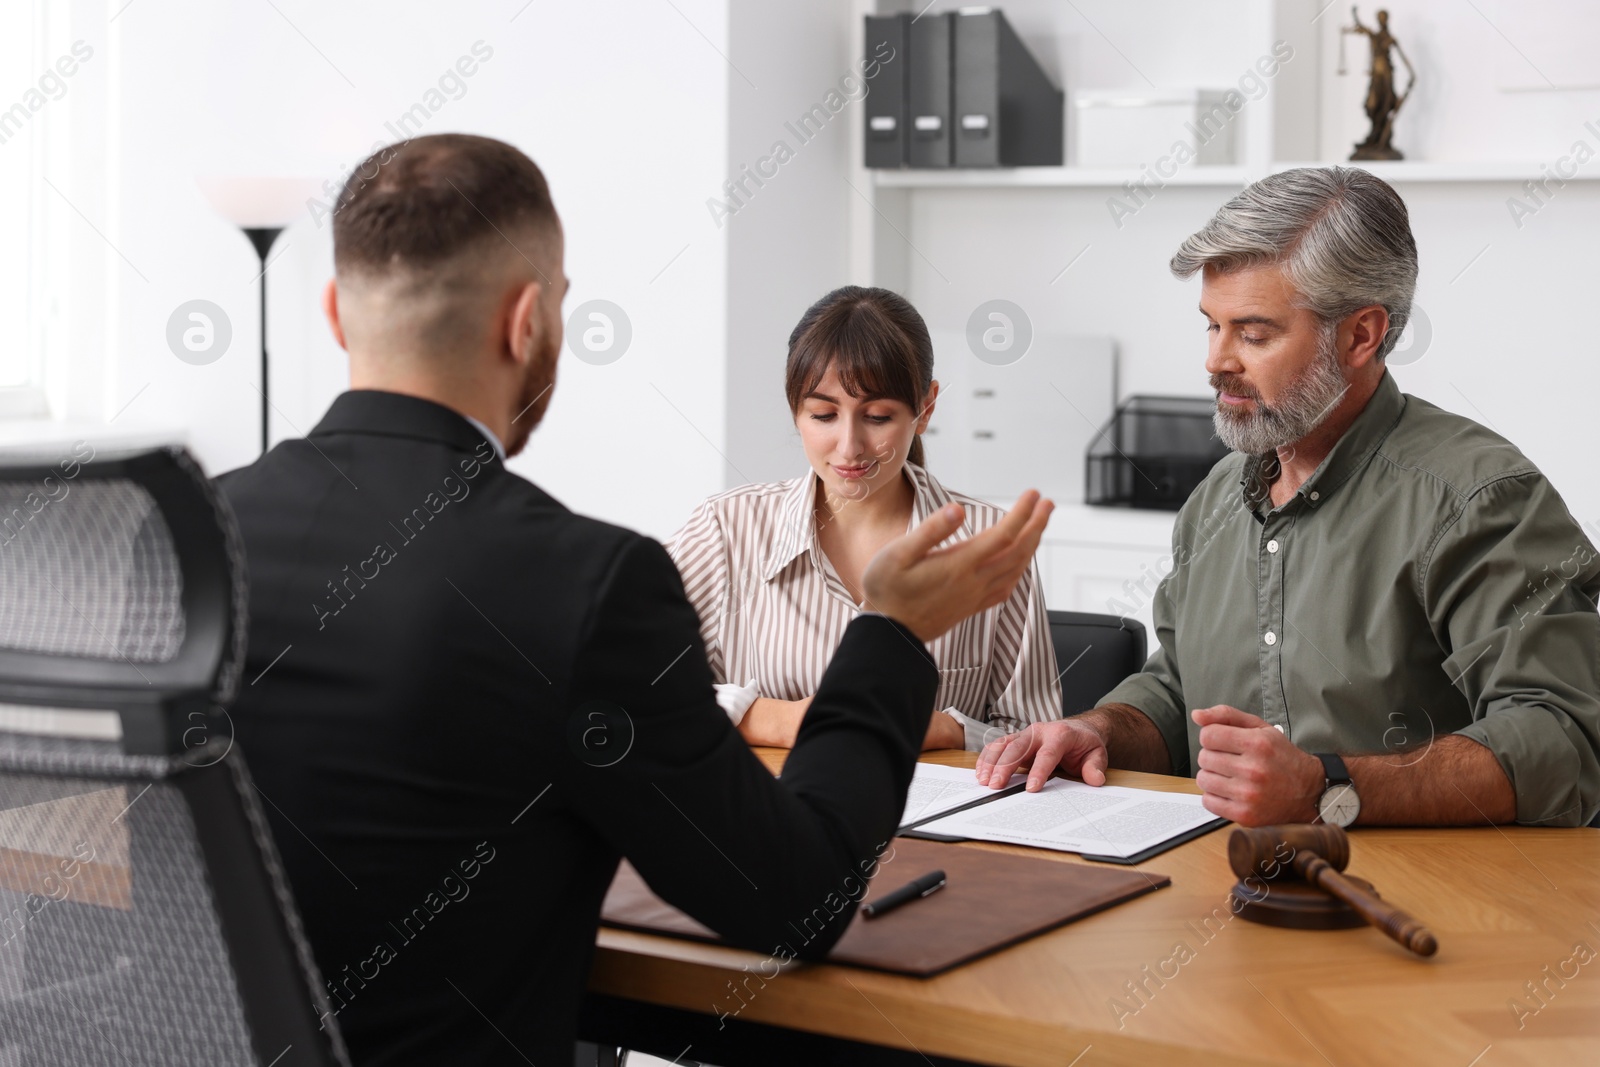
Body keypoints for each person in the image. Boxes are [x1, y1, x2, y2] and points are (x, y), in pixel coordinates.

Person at [216, 133, 1053, 1065]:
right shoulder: (585, 582)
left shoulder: (189, 536)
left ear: (335, 315)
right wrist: (889, 630)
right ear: (528, 321)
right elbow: (797, 898)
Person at [977, 166, 1600, 829]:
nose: (1216, 361)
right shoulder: (1216, 498)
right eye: (1211, 326)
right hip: (1220, 898)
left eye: (1254, 333)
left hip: (1425, 909)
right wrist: (1099, 729)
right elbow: (1177, 688)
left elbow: (1566, 740)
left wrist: (1326, 788)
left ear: (1360, 335)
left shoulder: (1478, 499)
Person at [667, 286, 1062, 752]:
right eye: (823, 414)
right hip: (765, 812)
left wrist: (948, 730)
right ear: (795, 409)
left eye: (877, 417)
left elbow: (1035, 737)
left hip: (928, 820)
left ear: (926, 408)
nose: (849, 446)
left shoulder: (991, 541)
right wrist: (778, 721)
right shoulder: (725, 529)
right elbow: (629, 687)